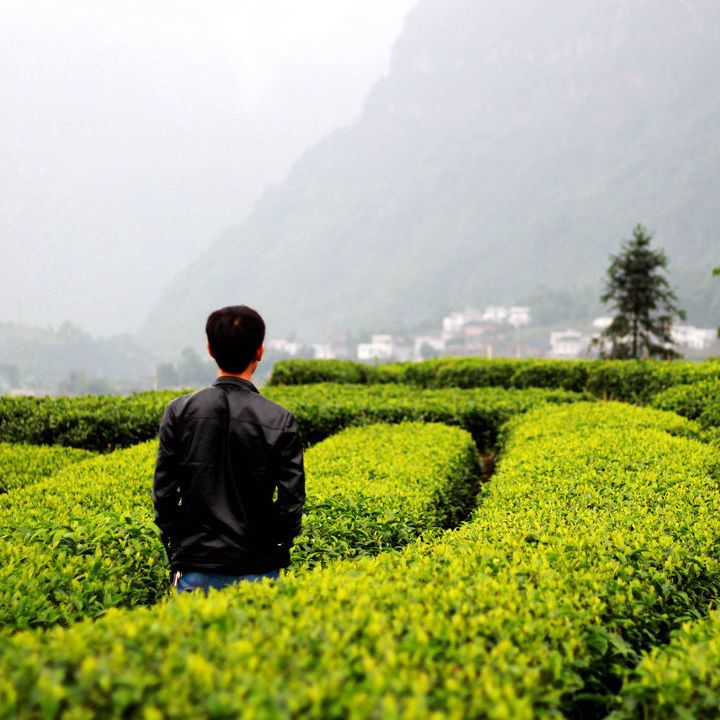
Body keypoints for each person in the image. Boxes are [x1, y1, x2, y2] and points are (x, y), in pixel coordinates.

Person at [152, 305, 305, 595]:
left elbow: (164, 495)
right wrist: (276, 545)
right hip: (258, 565)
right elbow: (291, 501)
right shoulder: (279, 419)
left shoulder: (179, 412)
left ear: (210, 349)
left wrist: (182, 542)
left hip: (196, 564)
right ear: (260, 351)